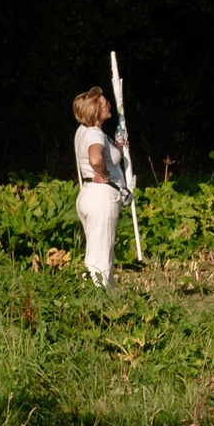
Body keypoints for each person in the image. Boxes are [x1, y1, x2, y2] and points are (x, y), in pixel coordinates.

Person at [70, 87, 128, 288]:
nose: (109, 104)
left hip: (87, 195)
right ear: (95, 111)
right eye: (104, 104)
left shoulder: (84, 131)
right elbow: (95, 158)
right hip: (101, 198)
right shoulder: (95, 134)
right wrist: (104, 175)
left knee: (99, 252)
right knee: (100, 259)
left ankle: (107, 299)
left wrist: (118, 149)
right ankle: (95, 303)